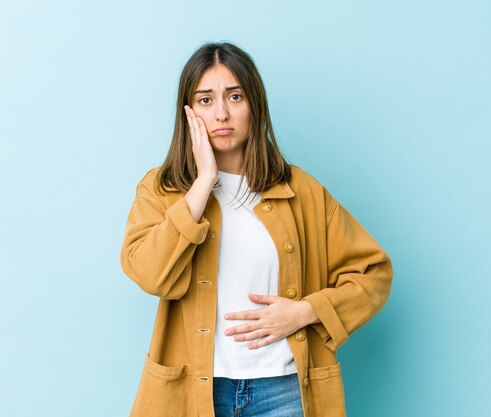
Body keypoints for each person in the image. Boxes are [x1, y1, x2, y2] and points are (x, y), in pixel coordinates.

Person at [119, 41, 393, 417]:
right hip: (192, 392)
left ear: (255, 106)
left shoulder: (301, 190)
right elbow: (150, 274)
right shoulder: (162, 189)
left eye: (235, 96)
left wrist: (306, 311)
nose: (222, 114)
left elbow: (373, 274)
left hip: (283, 391)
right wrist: (203, 184)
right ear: (188, 112)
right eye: (205, 100)